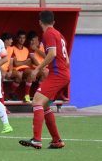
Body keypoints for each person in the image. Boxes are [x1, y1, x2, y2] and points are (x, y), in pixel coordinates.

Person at [19, 11, 70, 149]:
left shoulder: (48, 33)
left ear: (40, 21)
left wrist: (37, 69)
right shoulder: (59, 34)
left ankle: (36, 140)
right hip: (62, 74)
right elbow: (67, 60)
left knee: (36, 100)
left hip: (58, 75)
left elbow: (52, 53)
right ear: (53, 21)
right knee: (45, 105)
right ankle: (57, 140)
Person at [10, 30, 33, 103]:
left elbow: (29, 63)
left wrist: (23, 63)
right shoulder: (12, 48)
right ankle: (12, 92)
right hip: (15, 69)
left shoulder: (26, 49)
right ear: (17, 38)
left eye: (23, 38)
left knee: (32, 73)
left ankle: (26, 95)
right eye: (20, 38)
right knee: (19, 74)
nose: (22, 39)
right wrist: (25, 62)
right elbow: (15, 64)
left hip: (25, 69)